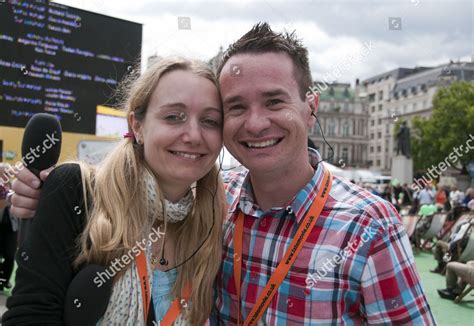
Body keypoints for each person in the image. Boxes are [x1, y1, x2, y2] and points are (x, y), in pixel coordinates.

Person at [7, 23, 436, 324]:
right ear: (137, 124)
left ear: (311, 107)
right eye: (234, 109)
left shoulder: (368, 223)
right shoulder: (211, 201)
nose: (254, 123)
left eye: (274, 101)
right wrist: (44, 196)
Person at [2, 57, 226, 325]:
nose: (193, 135)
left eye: (210, 121)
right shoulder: (77, 191)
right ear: (137, 126)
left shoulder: (213, 223)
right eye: (173, 117)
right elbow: (29, 317)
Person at [0, 164, 18, 293]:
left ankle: (5, 280)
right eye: (4, 172)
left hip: (11, 227)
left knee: (10, 255)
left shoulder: (14, 186)